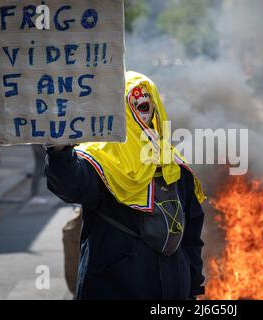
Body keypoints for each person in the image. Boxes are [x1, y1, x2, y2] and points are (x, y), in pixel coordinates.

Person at [45, 71, 206, 300]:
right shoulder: (98, 158)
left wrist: (192, 287)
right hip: (114, 289)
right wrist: (59, 151)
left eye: (146, 106)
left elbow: (190, 233)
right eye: (135, 107)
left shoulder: (173, 165)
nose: (144, 115)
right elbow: (70, 186)